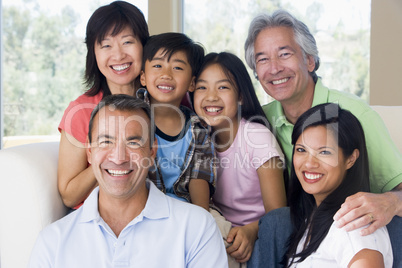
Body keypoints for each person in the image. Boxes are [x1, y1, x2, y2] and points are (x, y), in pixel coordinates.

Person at [243, 9, 402, 267]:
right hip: (307, 225)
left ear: (310, 61)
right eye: (262, 59)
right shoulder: (259, 123)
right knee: (276, 221)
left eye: (285, 54)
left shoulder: (355, 116)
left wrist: (392, 201)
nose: (274, 68)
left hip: (357, 225)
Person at [28, 94, 228, 268]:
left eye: (133, 142)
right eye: (106, 142)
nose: (119, 157)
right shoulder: (53, 241)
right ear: (90, 152)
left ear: (151, 151)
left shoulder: (197, 228)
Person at [192, 52, 287, 266]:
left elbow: (277, 214)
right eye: (202, 87)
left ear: (241, 96)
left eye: (223, 87)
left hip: (262, 234)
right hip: (223, 233)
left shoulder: (256, 136)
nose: (211, 96)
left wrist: (252, 230)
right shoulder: (196, 138)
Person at [57, 1, 149, 209]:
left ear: (144, 45)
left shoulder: (166, 101)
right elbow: (69, 196)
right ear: (94, 53)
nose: (118, 55)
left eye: (127, 42)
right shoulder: (81, 111)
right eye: (106, 45)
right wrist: (110, 154)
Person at [284, 103, 392, 267]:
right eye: (301, 150)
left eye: (324, 152)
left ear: (350, 159)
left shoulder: (353, 225)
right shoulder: (312, 217)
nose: (309, 163)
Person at [139, 32, 215, 211]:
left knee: (222, 231)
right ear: (143, 77)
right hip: (143, 208)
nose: (166, 74)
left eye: (177, 68)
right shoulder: (133, 117)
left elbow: (199, 178)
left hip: (184, 211)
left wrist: (201, 218)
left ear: (192, 83)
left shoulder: (199, 129)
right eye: (158, 65)